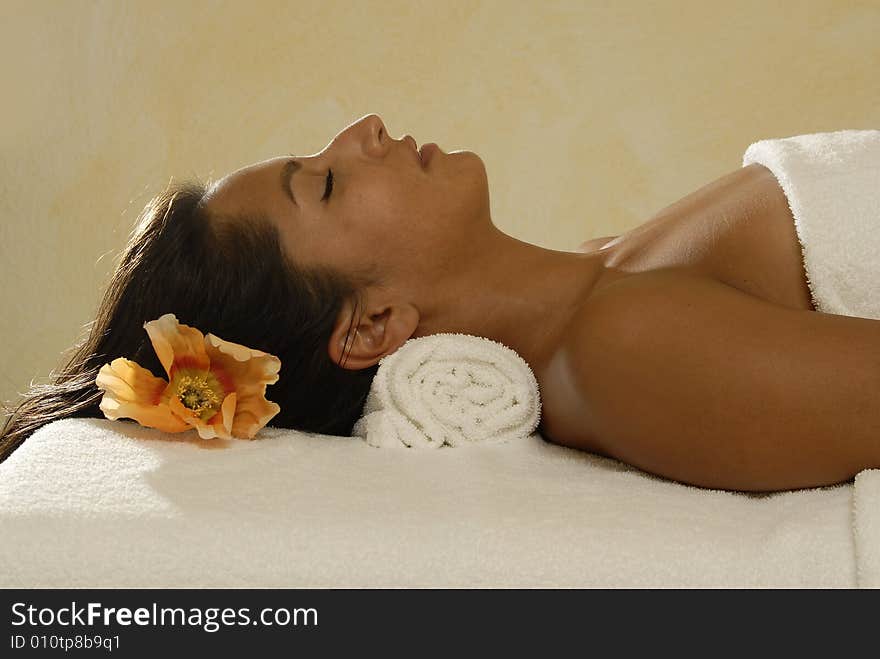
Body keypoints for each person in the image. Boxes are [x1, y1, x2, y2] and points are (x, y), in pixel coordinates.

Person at [2, 114, 878, 492]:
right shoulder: (624, 351)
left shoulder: (608, 275)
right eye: (327, 182)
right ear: (373, 324)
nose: (366, 129)